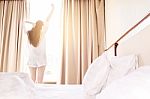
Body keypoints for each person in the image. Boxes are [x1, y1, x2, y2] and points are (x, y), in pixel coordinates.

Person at [25, 4, 54, 83]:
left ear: (35, 25)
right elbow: (47, 19)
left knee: (32, 80)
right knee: (40, 81)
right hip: (41, 59)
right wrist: (53, 9)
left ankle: (32, 94)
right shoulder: (42, 33)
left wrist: (32, 24)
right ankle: (38, 95)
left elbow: (23, 23)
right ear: (41, 26)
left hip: (32, 59)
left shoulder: (29, 34)